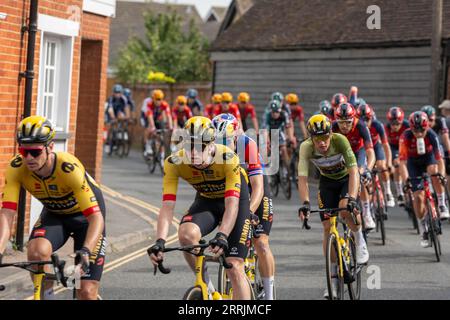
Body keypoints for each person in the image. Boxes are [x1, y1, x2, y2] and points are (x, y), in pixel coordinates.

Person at [0, 116, 106, 300]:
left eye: (35, 152)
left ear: (50, 147)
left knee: (85, 291)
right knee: (36, 251)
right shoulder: (16, 167)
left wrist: (86, 250)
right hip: (55, 214)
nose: (29, 158)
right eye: (23, 151)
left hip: (87, 219)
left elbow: (95, 218)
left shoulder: (68, 169)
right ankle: (47, 296)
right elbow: (7, 213)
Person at [149, 117, 252, 300]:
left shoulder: (228, 158)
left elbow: (231, 205)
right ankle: (209, 290)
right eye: (189, 146)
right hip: (207, 201)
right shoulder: (174, 162)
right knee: (186, 235)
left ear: (211, 145)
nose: (193, 153)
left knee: (234, 265)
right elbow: (167, 206)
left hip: (235, 202)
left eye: (200, 147)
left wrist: (222, 235)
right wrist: (160, 241)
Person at [298, 114, 369, 299]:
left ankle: (359, 240)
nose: (322, 143)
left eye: (325, 137)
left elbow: (354, 172)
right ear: (311, 138)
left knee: (346, 209)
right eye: (317, 139)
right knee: (328, 227)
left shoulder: (341, 141)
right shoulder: (305, 148)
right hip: (327, 183)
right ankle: (333, 276)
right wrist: (305, 203)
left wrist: (353, 197)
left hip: (347, 179)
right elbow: (303, 179)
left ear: (331, 134)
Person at [212, 113, 275, 300]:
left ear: (236, 136)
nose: (223, 145)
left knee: (261, 243)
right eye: (218, 141)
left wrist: (248, 213)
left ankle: (269, 295)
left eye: (227, 140)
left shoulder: (247, 145)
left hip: (255, 190)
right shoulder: (212, 149)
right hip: (233, 192)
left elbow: (257, 188)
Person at [399, 112, 450, 248]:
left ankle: (441, 204)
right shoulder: (405, 136)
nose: (420, 133)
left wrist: (442, 176)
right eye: (416, 130)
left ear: (427, 126)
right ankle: (423, 226)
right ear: (411, 128)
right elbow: (402, 163)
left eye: (422, 129)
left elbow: (440, 160)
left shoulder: (432, 135)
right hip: (413, 163)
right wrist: (406, 181)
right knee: (419, 198)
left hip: (429, 158)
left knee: (435, 172)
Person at [332, 103, 376, 230]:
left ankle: (367, 214)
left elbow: (370, 152)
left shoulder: (361, 126)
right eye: (341, 122)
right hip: (342, 154)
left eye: (348, 122)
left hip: (358, 152)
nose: (345, 126)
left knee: (359, 176)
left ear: (353, 120)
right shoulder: (333, 127)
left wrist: (368, 169)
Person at [357, 104, 395, 208]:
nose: (365, 122)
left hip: (375, 147)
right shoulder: (358, 127)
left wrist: (389, 163)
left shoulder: (377, 125)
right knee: (364, 174)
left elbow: (386, 145)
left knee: (381, 166)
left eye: (367, 119)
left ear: (372, 118)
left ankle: (388, 192)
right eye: (362, 119)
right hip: (364, 149)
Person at [385, 107, 410, 206]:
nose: (395, 127)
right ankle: (400, 192)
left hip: (406, 145)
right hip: (394, 147)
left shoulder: (407, 125)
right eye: (393, 124)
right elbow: (384, 144)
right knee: (397, 163)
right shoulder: (386, 128)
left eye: (397, 124)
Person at [263, 100, 296, 168]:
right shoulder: (267, 115)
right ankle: (266, 167)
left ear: (280, 110)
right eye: (273, 112)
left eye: (277, 112)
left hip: (280, 133)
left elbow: (288, 127)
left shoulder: (284, 114)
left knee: (283, 149)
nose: (275, 114)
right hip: (270, 133)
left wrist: (290, 138)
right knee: (266, 148)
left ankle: (288, 169)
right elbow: (265, 130)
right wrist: (267, 141)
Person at [421, 105, 450, 178]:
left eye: (431, 120)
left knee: (441, 161)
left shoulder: (440, 121)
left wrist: (449, 151)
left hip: (436, 146)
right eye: (426, 121)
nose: (429, 124)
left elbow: (445, 137)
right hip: (424, 147)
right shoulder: (420, 123)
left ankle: (442, 179)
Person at [143, 89, 173, 158]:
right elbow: (150, 117)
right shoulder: (149, 104)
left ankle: (161, 154)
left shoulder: (165, 104)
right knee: (149, 129)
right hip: (149, 118)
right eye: (157, 99)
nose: (158, 101)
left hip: (157, 118)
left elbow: (168, 116)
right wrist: (153, 127)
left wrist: (171, 126)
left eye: (160, 99)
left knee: (160, 135)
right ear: (153, 99)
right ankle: (147, 145)